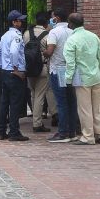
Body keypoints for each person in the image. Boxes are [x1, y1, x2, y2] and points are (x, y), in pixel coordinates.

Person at [62, 12, 100, 146]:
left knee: (84, 109)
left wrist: (68, 80)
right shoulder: (94, 36)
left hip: (82, 78)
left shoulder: (71, 40)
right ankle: (99, 133)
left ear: (71, 24)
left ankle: (88, 136)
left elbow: (70, 63)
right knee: (96, 107)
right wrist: (98, 71)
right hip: (96, 76)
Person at [42, 8, 77, 142]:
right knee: (71, 101)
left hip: (58, 70)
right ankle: (72, 131)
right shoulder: (72, 32)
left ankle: (63, 133)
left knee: (61, 102)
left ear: (56, 18)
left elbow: (50, 51)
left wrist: (44, 52)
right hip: (71, 70)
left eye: (53, 17)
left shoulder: (54, 32)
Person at [0, 10, 29, 142]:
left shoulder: (5, 35)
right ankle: (14, 132)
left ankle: (1, 131)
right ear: (14, 22)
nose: (22, 22)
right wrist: (16, 69)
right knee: (15, 103)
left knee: (4, 102)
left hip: (5, 72)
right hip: (14, 74)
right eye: (19, 20)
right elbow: (14, 52)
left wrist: (1, 66)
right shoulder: (17, 35)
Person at [25, 11, 56, 133]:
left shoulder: (26, 33)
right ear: (46, 22)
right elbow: (50, 52)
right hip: (42, 68)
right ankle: (37, 123)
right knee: (39, 96)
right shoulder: (47, 35)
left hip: (29, 68)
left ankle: (35, 119)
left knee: (33, 94)